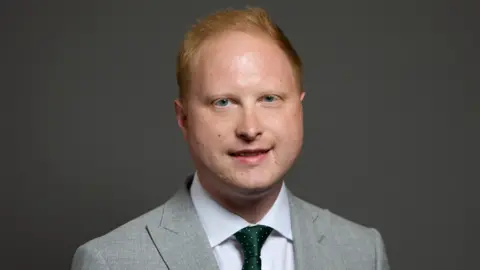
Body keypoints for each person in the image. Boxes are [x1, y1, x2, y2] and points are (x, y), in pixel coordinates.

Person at [71, 7, 390, 270]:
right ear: (183, 118)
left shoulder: (362, 253)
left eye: (269, 98)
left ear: (299, 108)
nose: (250, 129)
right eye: (223, 102)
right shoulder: (109, 262)